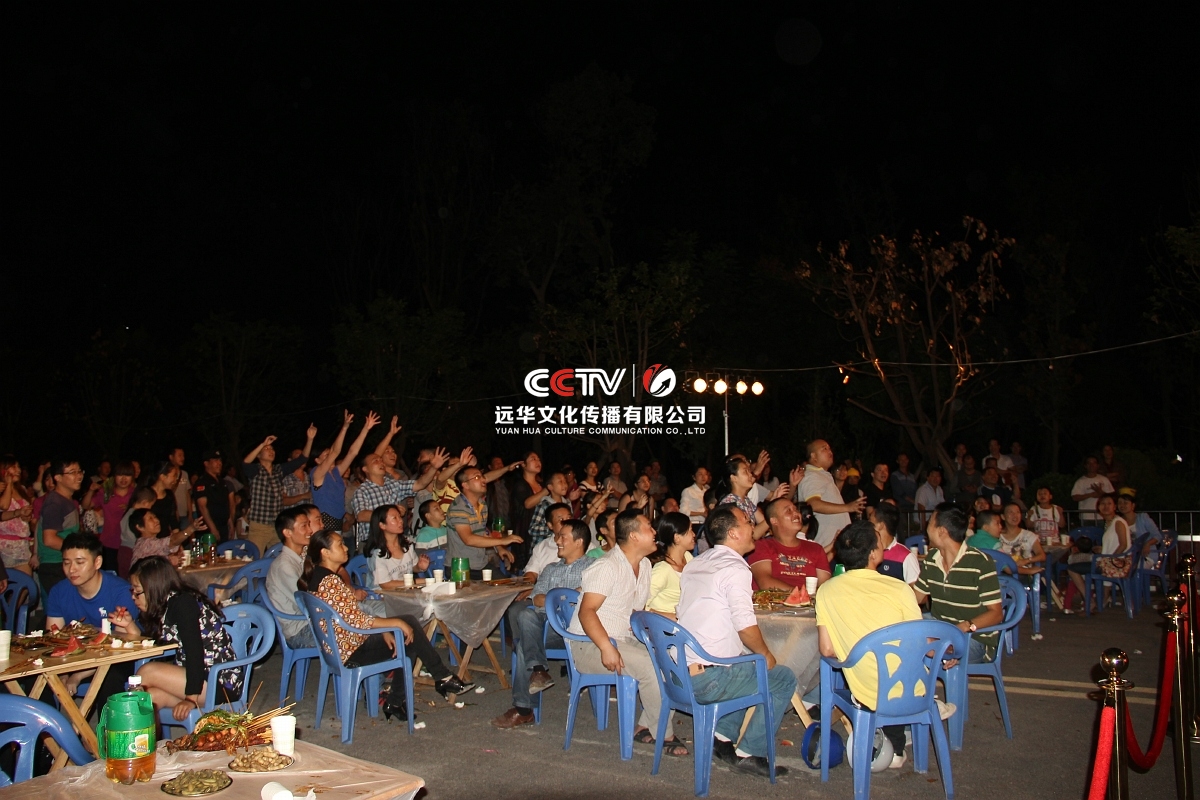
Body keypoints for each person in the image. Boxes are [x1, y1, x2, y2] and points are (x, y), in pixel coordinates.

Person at [676, 506, 797, 778]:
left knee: (743, 662)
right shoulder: (735, 568)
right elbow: (745, 627)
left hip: (679, 673)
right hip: (709, 680)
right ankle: (751, 753)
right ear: (732, 533)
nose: (752, 525)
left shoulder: (696, 563)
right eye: (746, 521)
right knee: (782, 678)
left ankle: (722, 738)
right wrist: (766, 654)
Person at [300, 529, 471, 720]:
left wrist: (385, 629)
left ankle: (409, 694)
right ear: (325, 552)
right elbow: (355, 620)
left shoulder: (320, 576)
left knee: (407, 633)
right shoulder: (330, 581)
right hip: (350, 649)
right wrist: (393, 623)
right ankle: (436, 679)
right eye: (340, 544)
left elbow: (352, 615)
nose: (346, 547)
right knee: (407, 628)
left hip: (342, 644)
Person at [567, 509, 684, 756]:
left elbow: (634, 612)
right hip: (589, 644)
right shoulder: (607, 566)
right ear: (634, 536)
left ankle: (645, 725)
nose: (655, 532)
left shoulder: (644, 565)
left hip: (624, 638)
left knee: (672, 657)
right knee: (649, 666)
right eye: (649, 527)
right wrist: (606, 647)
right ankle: (664, 735)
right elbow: (587, 611)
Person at [816, 520, 925, 769]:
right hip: (912, 688)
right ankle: (900, 737)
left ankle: (886, 739)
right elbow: (918, 640)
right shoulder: (899, 588)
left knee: (876, 673)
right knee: (901, 664)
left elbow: (827, 650)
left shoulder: (826, 591)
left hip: (865, 690)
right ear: (874, 554)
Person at [110, 556, 243, 720]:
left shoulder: (183, 604)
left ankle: (120, 723)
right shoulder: (163, 606)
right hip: (194, 677)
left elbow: (195, 653)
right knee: (150, 698)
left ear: (153, 588)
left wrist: (191, 699)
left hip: (218, 681)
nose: (133, 597)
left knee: (146, 672)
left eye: (137, 591)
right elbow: (151, 645)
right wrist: (129, 625)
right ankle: (138, 735)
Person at [493, 518, 592, 729]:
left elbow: (585, 595)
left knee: (523, 645)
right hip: (546, 626)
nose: (557, 541)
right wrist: (563, 598)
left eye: (563, 537)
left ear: (578, 542)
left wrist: (554, 598)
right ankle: (538, 671)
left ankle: (524, 709)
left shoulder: (593, 567)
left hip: (572, 629)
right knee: (526, 615)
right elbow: (536, 598)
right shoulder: (550, 569)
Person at [46, 532, 137, 699]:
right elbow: (54, 639)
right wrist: (62, 673)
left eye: (80, 562)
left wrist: (77, 676)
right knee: (38, 676)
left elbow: (117, 648)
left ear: (97, 562)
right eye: (66, 563)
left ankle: (106, 718)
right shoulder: (59, 591)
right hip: (74, 656)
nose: (71, 569)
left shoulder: (121, 592)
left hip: (115, 657)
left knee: (110, 677)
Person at [914, 503, 1003, 664]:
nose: (926, 527)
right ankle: (942, 650)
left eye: (930, 522)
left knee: (920, 643)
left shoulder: (980, 562)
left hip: (975, 637)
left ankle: (943, 650)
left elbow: (996, 614)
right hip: (942, 630)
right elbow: (915, 598)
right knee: (904, 629)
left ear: (941, 531)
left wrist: (966, 626)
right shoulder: (931, 559)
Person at [350, 448, 443, 554]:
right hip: (373, 543)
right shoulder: (362, 490)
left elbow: (419, 484)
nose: (381, 462)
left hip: (395, 541)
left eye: (381, 460)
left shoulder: (393, 484)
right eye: (375, 461)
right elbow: (361, 515)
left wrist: (434, 468)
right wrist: (392, 512)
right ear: (365, 469)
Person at [243, 428, 317, 556]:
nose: (271, 451)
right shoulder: (255, 471)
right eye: (267, 449)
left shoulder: (278, 470)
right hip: (259, 525)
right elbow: (245, 463)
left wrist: (310, 439)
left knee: (280, 557)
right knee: (254, 558)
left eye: (272, 449)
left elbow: (302, 459)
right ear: (258, 455)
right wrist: (263, 443)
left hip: (276, 524)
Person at [446, 466, 523, 576]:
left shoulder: (482, 504)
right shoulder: (458, 508)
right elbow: (468, 539)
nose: (483, 479)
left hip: (480, 564)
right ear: (465, 485)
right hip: (461, 567)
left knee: (506, 585)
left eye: (482, 476)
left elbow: (483, 531)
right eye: (477, 477)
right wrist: (502, 541)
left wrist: (499, 548)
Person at [748, 498, 831, 591]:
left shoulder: (816, 549)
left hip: (809, 600)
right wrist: (800, 594)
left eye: (796, 509)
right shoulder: (761, 546)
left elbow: (824, 587)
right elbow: (765, 583)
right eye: (789, 511)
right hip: (774, 599)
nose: (796, 513)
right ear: (774, 521)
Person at [1066, 494, 1130, 611]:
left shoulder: (1118, 522)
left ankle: (1090, 601)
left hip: (1118, 563)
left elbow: (1123, 544)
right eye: (1102, 504)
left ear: (1114, 507)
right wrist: (1103, 549)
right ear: (1098, 508)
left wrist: (1110, 558)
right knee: (1079, 563)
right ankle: (1100, 598)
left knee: (1072, 569)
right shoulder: (1109, 523)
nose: (1106, 506)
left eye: (1109, 504)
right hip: (1111, 560)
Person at [266, 507, 319, 648]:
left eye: (309, 525)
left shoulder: (303, 555)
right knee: (356, 632)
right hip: (300, 630)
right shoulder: (284, 566)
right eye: (304, 526)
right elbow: (308, 602)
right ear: (287, 533)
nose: (310, 530)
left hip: (312, 621)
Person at [797, 441, 864, 551]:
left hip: (835, 546)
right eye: (824, 449)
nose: (830, 452)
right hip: (825, 545)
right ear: (813, 456)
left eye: (829, 448)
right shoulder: (812, 476)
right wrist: (848, 507)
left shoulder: (822, 475)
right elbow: (813, 504)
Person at [38, 459, 85, 593]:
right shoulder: (55, 503)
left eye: (79, 471)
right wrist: (80, 551)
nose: (78, 476)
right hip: (56, 566)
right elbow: (49, 539)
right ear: (58, 477)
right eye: (72, 472)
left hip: (65, 562)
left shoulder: (66, 500)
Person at [86, 461, 136, 571]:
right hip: (109, 542)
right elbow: (86, 505)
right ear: (114, 476)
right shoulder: (106, 492)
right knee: (110, 574)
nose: (124, 479)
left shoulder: (136, 494)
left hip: (130, 543)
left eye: (127, 475)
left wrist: (131, 508)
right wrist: (90, 490)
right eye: (120, 474)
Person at [365, 505, 430, 589]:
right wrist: (418, 582)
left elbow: (413, 567)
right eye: (394, 518)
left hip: (405, 592)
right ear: (382, 525)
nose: (400, 521)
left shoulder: (406, 544)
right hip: (382, 595)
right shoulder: (377, 553)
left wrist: (420, 567)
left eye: (399, 517)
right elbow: (385, 585)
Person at [645, 512, 695, 618]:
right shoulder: (662, 570)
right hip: (666, 625)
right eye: (690, 530)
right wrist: (671, 617)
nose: (694, 534)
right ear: (677, 538)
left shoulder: (688, 557)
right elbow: (642, 604)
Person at [0, 455, 36, 576]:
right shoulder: (1, 489)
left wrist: (26, 517)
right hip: (5, 547)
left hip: (22, 548)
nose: (18, 470)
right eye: (13, 467)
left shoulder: (21, 489)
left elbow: (24, 517)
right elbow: (4, 506)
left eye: (18, 466)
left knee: (26, 583)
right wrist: (8, 484)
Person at [995, 502, 1045, 586]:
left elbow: (1042, 555)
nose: (1015, 515)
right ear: (1003, 516)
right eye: (1010, 512)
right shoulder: (996, 536)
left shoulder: (1028, 535)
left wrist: (1027, 560)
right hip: (1002, 574)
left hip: (1024, 573)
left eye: (1017, 512)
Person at [523, 503, 573, 581]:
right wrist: (528, 584)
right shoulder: (541, 547)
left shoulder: (583, 543)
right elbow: (531, 572)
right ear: (550, 525)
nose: (567, 523)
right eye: (561, 520)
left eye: (569, 518)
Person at [193, 451, 236, 543]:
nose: (219, 463)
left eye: (220, 460)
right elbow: (202, 507)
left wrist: (231, 524)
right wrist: (212, 528)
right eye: (215, 460)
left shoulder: (222, 482)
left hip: (224, 526)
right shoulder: (202, 482)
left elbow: (226, 505)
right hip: (208, 528)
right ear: (206, 463)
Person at [873, 502, 919, 585]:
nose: (867, 526)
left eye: (870, 522)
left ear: (880, 525)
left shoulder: (906, 557)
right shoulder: (867, 552)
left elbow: (915, 590)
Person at [1115, 488, 1162, 568]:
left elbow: (1158, 535)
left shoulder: (1143, 518)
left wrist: (1147, 544)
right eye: (1120, 503)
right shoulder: (1118, 521)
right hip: (1126, 556)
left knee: (1129, 567)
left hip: (1145, 556)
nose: (1122, 505)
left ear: (1133, 505)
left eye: (1125, 503)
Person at [527, 472, 574, 548]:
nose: (564, 484)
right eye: (560, 482)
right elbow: (533, 529)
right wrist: (553, 528)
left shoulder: (567, 504)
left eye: (565, 481)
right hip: (544, 548)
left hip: (562, 546)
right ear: (550, 487)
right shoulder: (544, 505)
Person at [118, 488, 157, 578]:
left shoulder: (128, 512)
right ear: (145, 503)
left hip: (124, 550)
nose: (150, 508)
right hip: (131, 550)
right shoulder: (134, 516)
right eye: (151, 505)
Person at [1071, 457, 1114, 524]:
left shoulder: (1104, 479)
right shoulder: (1080, 481)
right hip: (1086, 516)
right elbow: (1075, 497)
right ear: (1085, 466)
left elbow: (1112, 496)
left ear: (1098, 465)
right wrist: (1090, 495)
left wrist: (1100, 492)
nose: (1092, 465)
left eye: (1094, 463)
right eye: (1089, 463)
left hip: (1102, 516)